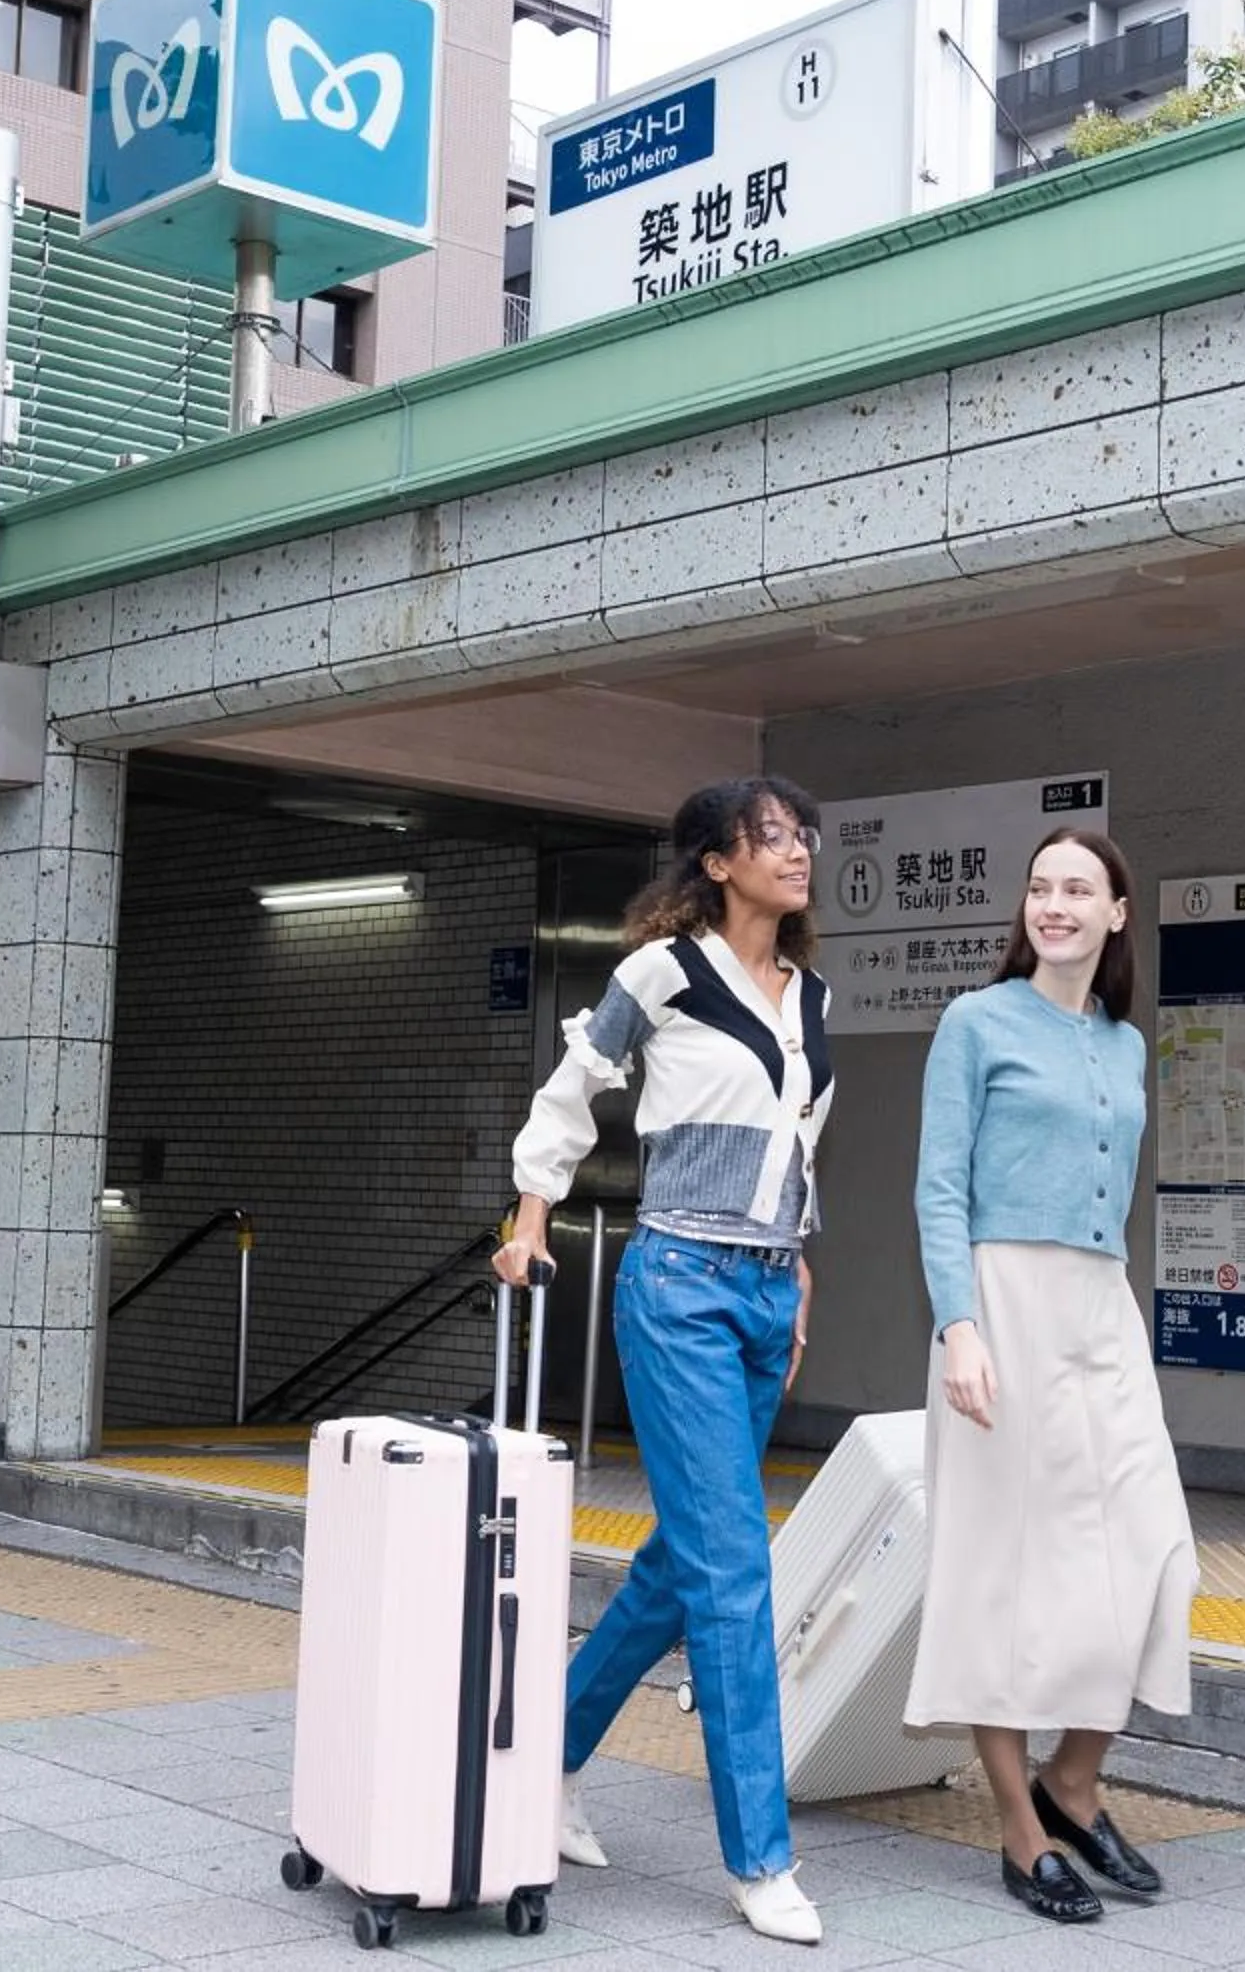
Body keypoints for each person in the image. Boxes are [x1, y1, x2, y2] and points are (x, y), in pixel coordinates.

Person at [494, 776, 833, 1946]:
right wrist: (532, 1215)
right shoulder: (664, 973)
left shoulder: (812, 996)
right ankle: (761, 1858)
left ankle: (542, 1757)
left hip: (760, 1291)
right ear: (718, 861)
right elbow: (576, 1080)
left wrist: (800, 1269)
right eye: (774, 835)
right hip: (680, 1286)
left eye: (804, 836)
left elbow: (797, 1149)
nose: (798, 851)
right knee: (737, 1567)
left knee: (686, 1568)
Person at [901, 826, 1195, 1925]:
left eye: (1079, 888)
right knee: (999, 1570)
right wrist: (958, 1327)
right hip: (1001, 1305)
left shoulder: (1124, 1043)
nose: (1054, 904)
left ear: (1119, 912)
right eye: (1040, 887)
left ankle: (1073, 1778)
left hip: (1099, 1305)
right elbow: (939, 1188)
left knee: (1154, 1548)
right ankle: (1023, 1837)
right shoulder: (976, 1023)